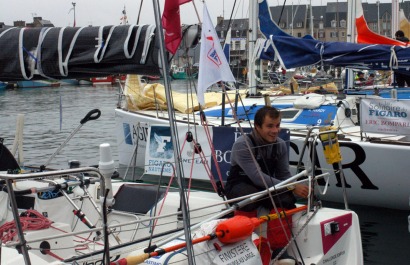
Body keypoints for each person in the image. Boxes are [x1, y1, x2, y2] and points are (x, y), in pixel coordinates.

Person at [225, 106, 309, 264]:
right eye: (270, 126)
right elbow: (257, 177)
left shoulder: (280, 145)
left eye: (277, 125)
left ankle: (279, 250)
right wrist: (291, 186)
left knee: (286, 200)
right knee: (250, 199)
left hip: (266, 187)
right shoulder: (243, 144)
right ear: (257, 126)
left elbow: (284, 174)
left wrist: (298, 187)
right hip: (241, 184)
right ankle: (245, 246)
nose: (275, 130)